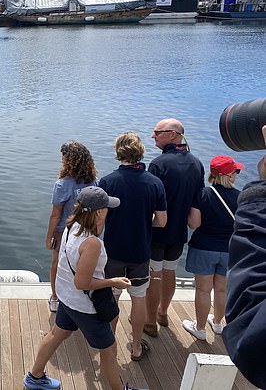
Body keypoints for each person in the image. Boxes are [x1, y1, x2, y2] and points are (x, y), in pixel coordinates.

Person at [24, 187, 141, 390]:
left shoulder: (72, 226)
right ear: (98, 212)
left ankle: (34, 377)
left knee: (56, 333)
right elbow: (83, 283)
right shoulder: (92, 243)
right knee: (109, 347)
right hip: (84, 306)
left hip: (66, 297)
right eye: (106, 208)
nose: (108, 211)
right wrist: (113, 282)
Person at [99, 132, 167, 361]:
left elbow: (100, 220)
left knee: (113, 297)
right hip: (140, 253)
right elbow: (162, 221)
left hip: (114, 251)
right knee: (138, 298)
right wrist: (145, 222)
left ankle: (108, 347)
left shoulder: (107, 182)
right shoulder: (155, 183)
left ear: (119, 152)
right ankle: (136, 347)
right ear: (141, 153)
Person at [145, 118, 204, 337]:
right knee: (169, 271)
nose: (153, 136)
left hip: (157, 230)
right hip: (179, 233)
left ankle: (149, 322)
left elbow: (150, 200)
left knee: (154, 274)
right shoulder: (197, 164)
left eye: (157, 132)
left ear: (173, 134)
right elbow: (197, 203)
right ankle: (163, 312)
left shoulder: (159, 164)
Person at [182, 155, 243, 341]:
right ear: (229, 176)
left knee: (203, 291)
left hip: (204, 248)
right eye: (236, 171)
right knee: (222, 290)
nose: (237, 175)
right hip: (229, 250)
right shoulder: (241, 197)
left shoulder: (201, 195)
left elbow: (194, 224)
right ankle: (217, 323)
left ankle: (199, 328)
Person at [225, 141, 266, 389]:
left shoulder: (208, 194)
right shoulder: (233, 196)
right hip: (228, 255)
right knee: (218, 290)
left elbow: (253, 342)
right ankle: (211, 323)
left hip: (228, 254)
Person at [46, 141, 98, 312]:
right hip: (88, 232)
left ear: (68, 161)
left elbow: (55, 215)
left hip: (65, 232)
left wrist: (49, 237)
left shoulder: (62, 184)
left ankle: (55, 298)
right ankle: (80, 297)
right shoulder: (94, 182)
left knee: (57, 263)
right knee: (84, 266)